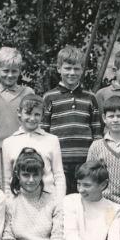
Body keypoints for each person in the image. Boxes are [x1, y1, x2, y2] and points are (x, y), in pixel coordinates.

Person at [40, 45, 103, 194]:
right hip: (58, 162)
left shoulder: (90, 97)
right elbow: (43, 131)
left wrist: (96, 159)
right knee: (61, 199)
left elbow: (97, 132)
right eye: (67, 68)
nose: (72, 73)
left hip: (85, 161)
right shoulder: (49, 97)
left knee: (84, 198)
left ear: (82, 70)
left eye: (76, 69)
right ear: (59, 69)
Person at [1, 94, 66, 202]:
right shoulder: (8, 142)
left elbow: (58, 175)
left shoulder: (52, 140)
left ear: (42, 116)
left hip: (48, 200)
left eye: (37, 114)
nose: (32, 118)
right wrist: (9, 202)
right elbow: (7, 179)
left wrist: (59, 202)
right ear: (19, 112)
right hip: (18, 201)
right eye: (28, 113)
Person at [0, 47, 35, 141]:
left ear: (20, 71)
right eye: (6, 71)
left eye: (14, 71)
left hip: (23, 145)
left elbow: (34, 121)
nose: (10, 75)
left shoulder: (28, 93)